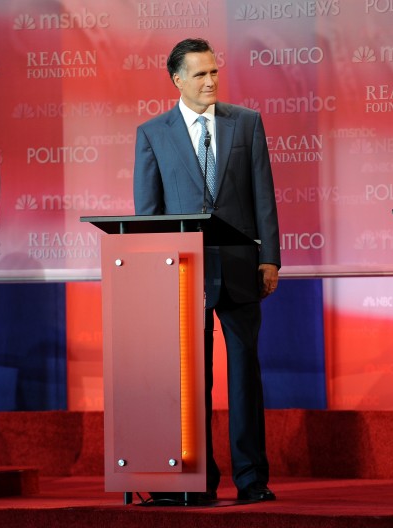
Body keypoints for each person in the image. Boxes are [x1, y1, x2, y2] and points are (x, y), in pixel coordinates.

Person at [134, 38, 281, 502]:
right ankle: (194, 480)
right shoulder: (153, 132)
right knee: (190, 381)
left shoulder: (247, 123)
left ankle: (251, 479)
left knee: (244, 376)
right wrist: (155, 275)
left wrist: (269, 257)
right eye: (199, 74)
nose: (210, 80)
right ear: (176, 80)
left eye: (214, 71)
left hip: (241, 269)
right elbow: (149, 212)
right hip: (183, 278)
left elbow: (263, 197)